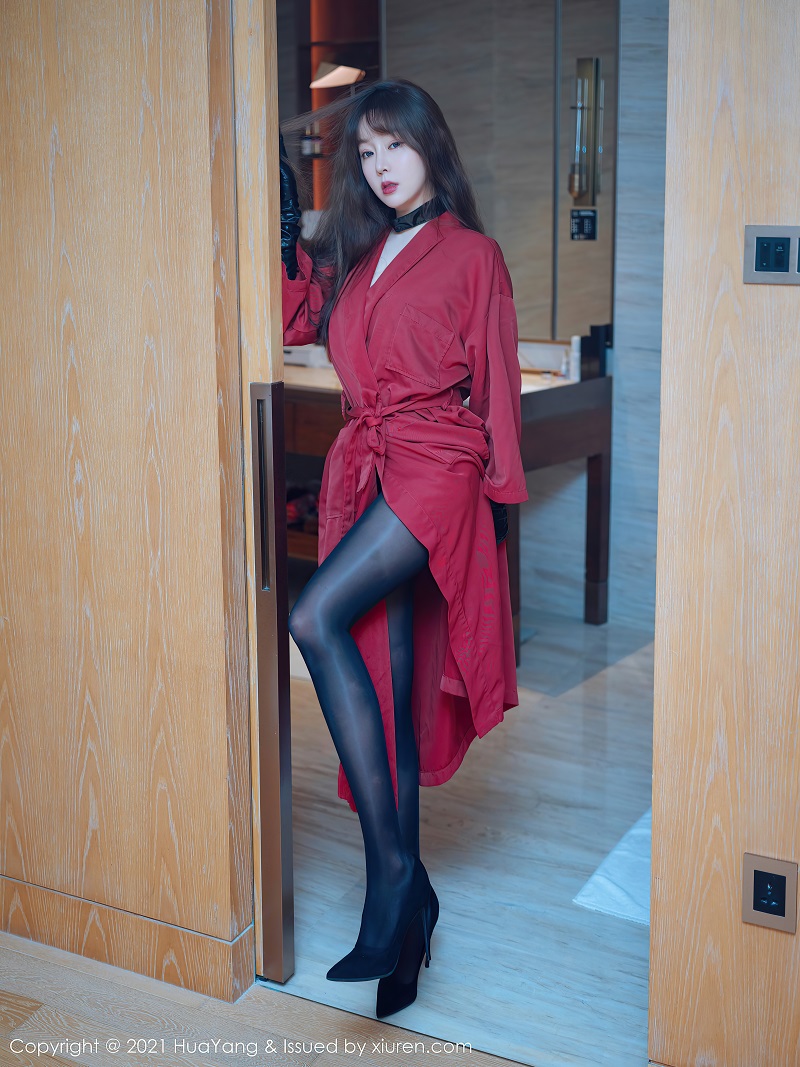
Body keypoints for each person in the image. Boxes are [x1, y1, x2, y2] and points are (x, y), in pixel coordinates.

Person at [279, 80, 528, 1018]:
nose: (381, 165)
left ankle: (391, 879)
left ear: (430, 146)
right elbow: (296, 324)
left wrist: (496, 514)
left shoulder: (472, 254)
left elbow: (496, 382)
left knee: (314, 614)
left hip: (436, 467)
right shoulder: (358, 253)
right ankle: (408, 912)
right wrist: (287, 236)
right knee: (391, 681)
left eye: (395, 145)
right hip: (370, 464)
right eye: (367, 152)